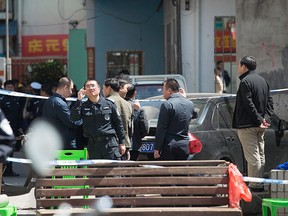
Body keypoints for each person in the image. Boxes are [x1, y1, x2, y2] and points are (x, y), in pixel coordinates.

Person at [232, 56, 274, 192]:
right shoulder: (263, 81)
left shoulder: (245, 82)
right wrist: (265, 119)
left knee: (253, 156)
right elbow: (270, 103)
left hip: (247, 125)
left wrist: (258, 120)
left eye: (239, 65)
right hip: (260, 125)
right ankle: (259, 182)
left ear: (244, 67)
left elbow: (248, 104)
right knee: (260, 155)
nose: (238, 68)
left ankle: (255, 185)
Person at [70, 79, 126, 159]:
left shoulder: (109, 104)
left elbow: (118, 124)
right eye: (88, 86)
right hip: (93, 146)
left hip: (109, 144)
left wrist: (122, 143)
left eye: (93, 85)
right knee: (95, 170)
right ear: (84, 90)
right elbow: (74, 118)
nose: (91, 88)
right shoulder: (83, 106)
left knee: (112, 170)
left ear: (99, 89)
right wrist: (79, 100)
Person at [154, 78, 196, 160]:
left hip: (169, 145)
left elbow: (161, 128)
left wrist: (157, 148)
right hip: (184, 145)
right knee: (181, 172)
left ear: (169, 90)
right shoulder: (189, 103)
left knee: (168, 171)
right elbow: (194, 114)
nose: (162, 92)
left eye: (163, 89)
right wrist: (185, 98)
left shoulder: (167, 104)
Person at [42, 77, 82, 150]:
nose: (71, 92)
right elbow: (71, 122)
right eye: (71, 89)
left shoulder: (49, 100)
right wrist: (82, 119)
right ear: (65, 88)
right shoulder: (60, 103)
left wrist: (78, 101)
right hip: (64, 144)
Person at [102, 78, 133, 160]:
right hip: (125, 144)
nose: (102, 91)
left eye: (103, 88)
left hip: (110, 145)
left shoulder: (106, 103)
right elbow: (130, 128)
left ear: (109, 89)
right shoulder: (128, 104)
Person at [0, 80, 22, 176]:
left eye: (11, 87)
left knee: (11, 151)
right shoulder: (1, 99)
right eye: (8, 87)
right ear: (4, 88)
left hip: (14, 129)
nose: (10, 89)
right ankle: (2, 172)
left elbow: (19, 115)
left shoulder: (17, 98)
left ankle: (9, 171)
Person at [125, 83, 149, 161]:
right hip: (135, 145)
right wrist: (138, 136)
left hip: (121, 145)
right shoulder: (138, 109)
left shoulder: (117, 105)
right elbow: (145, 128)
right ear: (134, 93)